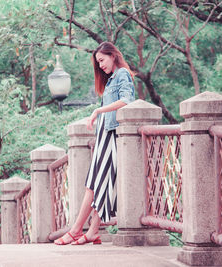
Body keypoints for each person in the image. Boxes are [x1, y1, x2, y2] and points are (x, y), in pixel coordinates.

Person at [54, 42, 135, 245]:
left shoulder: (122, 74)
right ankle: (92, 231)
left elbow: (128, 100)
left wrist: (99, 110)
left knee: (94, 185)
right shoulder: (111, 80)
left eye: (102, 60)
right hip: (104, 137)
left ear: (113, 56)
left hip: (113, 136)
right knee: (97, 184)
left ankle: (75, 230)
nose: (100, 66)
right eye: (97, 62)